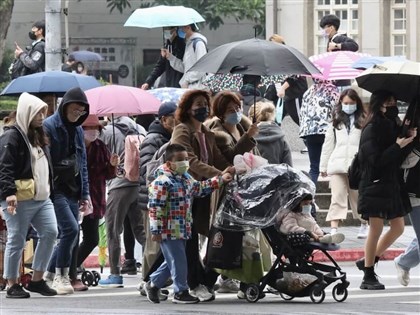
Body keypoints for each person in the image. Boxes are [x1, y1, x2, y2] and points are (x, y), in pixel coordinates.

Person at [144, 143, 233, 304]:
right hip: (168, 230)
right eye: (180, 160)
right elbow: (155, 209)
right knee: (179, 261)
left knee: (174, 260)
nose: (184, 163)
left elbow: (199, 188)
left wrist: (220, 180)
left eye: (186, 159)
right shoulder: (162, 182)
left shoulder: (185, 178)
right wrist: (156, 231)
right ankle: (180, 291)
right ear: (169, 163)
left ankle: (153, 284)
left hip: (183, 228)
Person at [170, 89, 234, 301]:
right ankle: (193, 283)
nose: (203, 108)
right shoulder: (182, 130)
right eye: (198, 104)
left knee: (186, 239)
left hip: (201, 191)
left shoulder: (206, 132)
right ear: (188, 108)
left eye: (205, 104)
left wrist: (232, 170)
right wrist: (220, 175)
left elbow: (216, 158)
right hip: (184, 192)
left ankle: (153, 279)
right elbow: (191, 161)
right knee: (186, 240)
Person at [0, 93, 58, 298]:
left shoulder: (39, 134)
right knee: (16, 239)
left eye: (43, 112)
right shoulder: (12, 136)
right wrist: (8, 194)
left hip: (42, 198)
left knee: (51, 232)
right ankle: (12, 284)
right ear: (26, 113)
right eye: (37, 113)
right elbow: (4, 167)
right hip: (19, 198)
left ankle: (37, 280)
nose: (42, 116)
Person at [356, 90, 415, 290]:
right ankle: (368, 274)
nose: (392, 106)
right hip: (375, 183)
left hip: (390, 184)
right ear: (378, 104)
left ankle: (368, 260)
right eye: (388, 102)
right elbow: (376, 161)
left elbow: (396, 156)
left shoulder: (393, 125)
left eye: (394, 101)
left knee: (398, 227)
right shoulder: (371, 127)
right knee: (376, 228)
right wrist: (397, 147)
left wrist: (408, 140)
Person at [204, 91, 258, 294]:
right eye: (230, 110)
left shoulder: (243, 126)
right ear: (220, 113)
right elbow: (231, 161)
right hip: (228, 193)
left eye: (237, 108)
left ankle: (245, 280)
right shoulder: (219, 135)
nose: (235, 112)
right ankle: (209, 278)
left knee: (246, 240)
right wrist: (248, 137)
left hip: (247, 191)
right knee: (224, 239)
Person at [43, 87, 91, 295]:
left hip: (73, 189)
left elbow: (83, 164)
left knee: (73, 233)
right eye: (75, 109)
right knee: (70, 230)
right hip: (56, 189)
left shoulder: (78, 129)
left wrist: (85, 193)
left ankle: (48, 274)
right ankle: (60, 276)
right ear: (65, 105)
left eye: (82, 111)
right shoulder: (49, 126)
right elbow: (45, 161)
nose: (77, 114)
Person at [98, 116, 146, 287]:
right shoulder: (140, 129)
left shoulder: (107, 131)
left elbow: (99, 157)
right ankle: (155, 267)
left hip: (118, 186)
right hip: (138, 184)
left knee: (113, 230)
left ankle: (115, 274)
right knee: (140, 230)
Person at [138, 102, 177, 293]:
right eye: (174, 117)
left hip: (168, 198)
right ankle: (147, 282)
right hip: (153, 199)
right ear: (164, 119)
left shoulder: (170, 137)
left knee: (161, 245)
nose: (177, 121)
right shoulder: (153, 139)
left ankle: (154, 282)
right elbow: (147, 169)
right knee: (154, 245)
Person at [319, 89, 369, 238]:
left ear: (357, 103)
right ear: (341, 102)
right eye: (346, 103)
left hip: (357, 165)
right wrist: (323, 166)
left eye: (352, 103)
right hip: (338, 163)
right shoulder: (335, 119)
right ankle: (334, 228)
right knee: (337, 196)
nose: (348, 106)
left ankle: (364, 224)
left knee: (358, 196)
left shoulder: (364, 119)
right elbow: (328, 143)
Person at [76, 115, 119, 273]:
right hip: (75, 196)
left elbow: (108, 174)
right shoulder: (74, 146)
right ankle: (66, 269)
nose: (93, 131)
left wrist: (112, 165)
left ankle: (72, 265)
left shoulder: (101, 146)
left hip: (95, 197)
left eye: (96, 128)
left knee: (92, 238)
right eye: (89, 128)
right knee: (71, 236)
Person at [394, 109, 420, 286]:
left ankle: (404, 262)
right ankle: (404, 262)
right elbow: (403, 162)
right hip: (415, 192)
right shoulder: (410, 130)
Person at [299, 79, 339, 186]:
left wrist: (304, 135)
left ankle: (311, 194)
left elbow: (302, 114)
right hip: (327, 132)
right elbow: (337, 112)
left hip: (310, 132)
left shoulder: (308, 92)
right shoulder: (333, 91)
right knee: (330, 164)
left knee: (314, 167)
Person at [267, 34, 308, 126]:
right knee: (273, 121)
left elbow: (294, 75)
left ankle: (309, 137)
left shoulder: (290, 55)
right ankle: (273, 138)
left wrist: (283, 88)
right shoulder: (275, 58)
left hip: (294, 93)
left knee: (300, 119)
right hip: (281, 94)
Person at [277, 194, 345, 244]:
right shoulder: (289, 214)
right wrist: (309, 233)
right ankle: (320, 239)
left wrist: (319, 233)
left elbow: (314, 224)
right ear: (297, 203)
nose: (308, 206)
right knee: (300, 236)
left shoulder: (307, 213)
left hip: (310, 233)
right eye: (305, 203)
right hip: (293, 236)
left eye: (309, 203)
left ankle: (324, 237)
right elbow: (291, 227)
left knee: (321, 231)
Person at [248, 101, 292, 166]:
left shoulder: (247, 140)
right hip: (278, 175)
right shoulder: (281, 138)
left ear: (251, 118)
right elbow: (289, 167)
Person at [164, 24, 207, 89]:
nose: (179, 31)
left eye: (181, 28)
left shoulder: (198, 43)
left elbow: (202, 67)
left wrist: (187, 80)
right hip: (189, 88)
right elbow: (185, 68)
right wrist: (171, 57)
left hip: (198, 88)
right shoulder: (189, 44)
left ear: (188, 27)